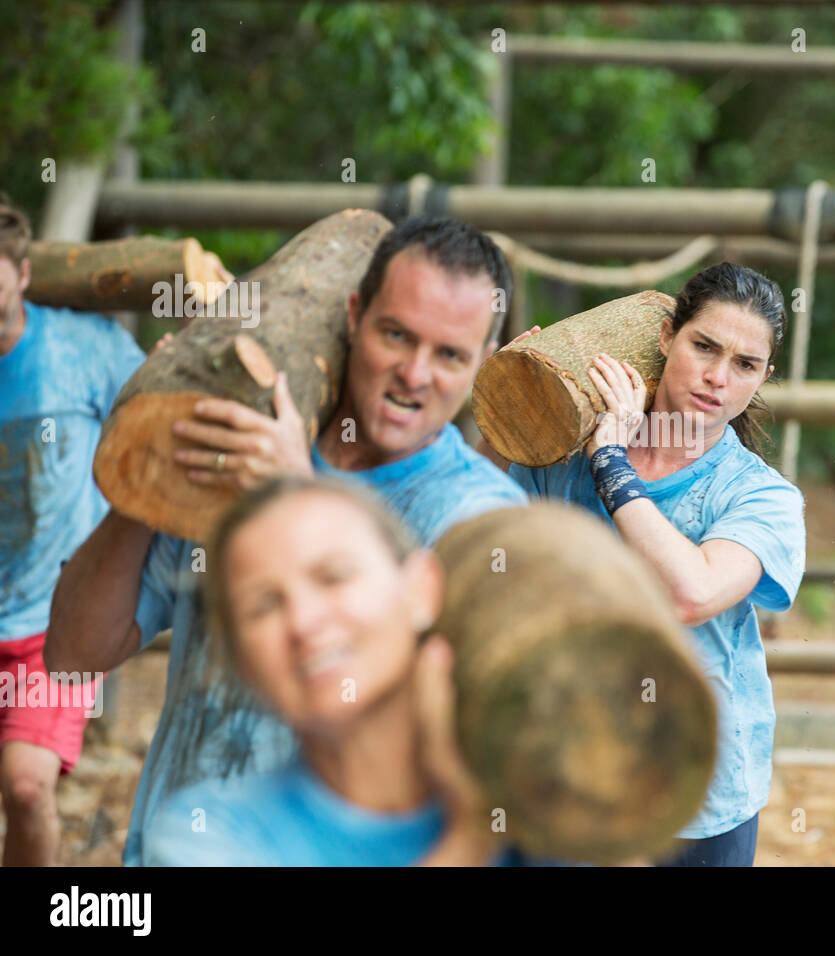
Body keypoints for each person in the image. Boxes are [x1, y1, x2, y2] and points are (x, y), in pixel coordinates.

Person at [46, 216, 526, 866]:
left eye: (449, 355)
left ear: (484, 363)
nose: (416, 373)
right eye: (396, 335)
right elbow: (73, 655)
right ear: (354, 316)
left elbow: (470, 731)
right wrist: (152, 453)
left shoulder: (482, 517)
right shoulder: (237, 443)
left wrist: (295, 497)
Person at [485, 263, 806, 866]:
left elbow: (691, 593)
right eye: (703, 346)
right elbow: (488, 540)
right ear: (666, 336)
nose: (716, 378)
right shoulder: (563, 453)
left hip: (699, 792)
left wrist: (611, 463)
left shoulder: (763, 497)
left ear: (765, 376)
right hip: (565, 764)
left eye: (744, 365)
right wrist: (511, 405)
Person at [146, 477, 503, 866]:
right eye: (263, 605)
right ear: (240, 660)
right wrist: (472, 835)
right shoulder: (204, 836)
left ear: (421, 587)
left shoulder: (544, 806)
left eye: (333, 577)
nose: (302, 622)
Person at [0, 202, 145, 865]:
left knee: (26, 788)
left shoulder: (82, 350)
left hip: (52, 624)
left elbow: (152, 417)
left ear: (23, 274)